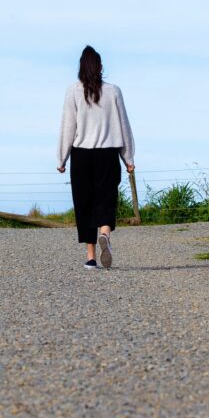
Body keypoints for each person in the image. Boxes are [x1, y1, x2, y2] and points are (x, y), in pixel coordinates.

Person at [57, 45, 135, 269]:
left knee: (84, 204)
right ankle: (105, 234)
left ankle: (91, 257)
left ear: (80, 67)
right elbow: (124, 126)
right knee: (106, 199)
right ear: (100, 67)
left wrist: (61, 159)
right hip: (108, 154)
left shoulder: (73, 91)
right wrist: (128, 159)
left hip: (81, 156)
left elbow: (67, 127)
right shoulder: (114, 91)